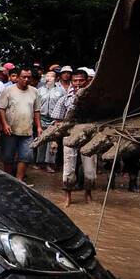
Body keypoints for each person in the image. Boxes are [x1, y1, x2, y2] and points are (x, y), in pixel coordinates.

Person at [58, 69, 96, 206]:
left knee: (90, 168)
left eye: (81, 80)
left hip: (88, 136)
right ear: (71, 82)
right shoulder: (64, 99)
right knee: (69, 166)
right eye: (75, 80)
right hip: (70, 135)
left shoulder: (94, 99)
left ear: (87, 81)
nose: (78, 83)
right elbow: (58, 120)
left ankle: (88, 194)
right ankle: (68, 196)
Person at [0, 68, 41, 181]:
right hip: (10, 129)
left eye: (29, 77)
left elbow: (36, 110)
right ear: (17, 77)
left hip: (27, 129)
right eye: (23, 77)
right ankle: (8, 180)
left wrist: (39, 126)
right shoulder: (8, 90)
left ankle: (19, 180)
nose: (26, 79)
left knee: (26, 156)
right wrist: (5, 124)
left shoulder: (34, 91)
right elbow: (1, 108)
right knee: (8, 156)